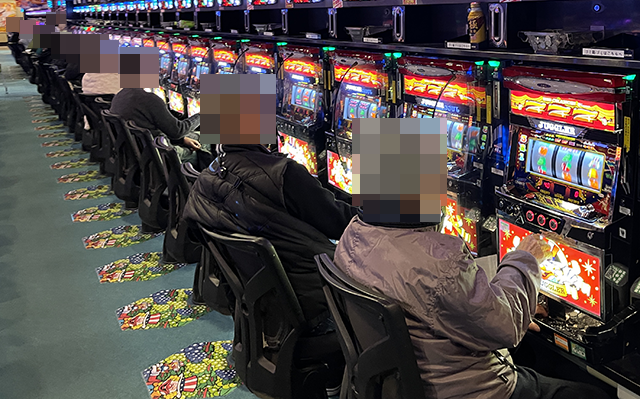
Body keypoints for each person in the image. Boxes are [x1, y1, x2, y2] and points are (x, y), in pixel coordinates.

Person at [334, 217, 612, 399]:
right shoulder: (436, 260)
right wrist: (525, 258)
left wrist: (509, 302)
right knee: (595, 394)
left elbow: (441, 302)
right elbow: (507, 329)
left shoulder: (352, 236)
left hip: (393, 384)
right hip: (466, 390)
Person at [183, 144, 362, 331]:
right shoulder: (284, 173)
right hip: (309, 294)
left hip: (265, 296)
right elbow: (341, 223)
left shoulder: (211, 172)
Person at [109, 87, 212, 170]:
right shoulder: (150, 100)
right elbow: (178, 131)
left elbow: (154, 129)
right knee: (210, 138)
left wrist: (182, 140)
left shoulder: (121, 94)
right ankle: (205, 184)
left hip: (139, 151)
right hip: (160, 155)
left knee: (198, 136)